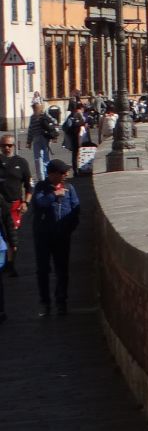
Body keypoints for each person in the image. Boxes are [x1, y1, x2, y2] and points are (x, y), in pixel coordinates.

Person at [31, 159, 79, 316]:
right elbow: (39, 203)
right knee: (43, 270)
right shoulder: (41, 187)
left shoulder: (69, 188)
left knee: (62, 270)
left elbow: (75, 209)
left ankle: (61, 301)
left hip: (62, 237)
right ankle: (45, 302)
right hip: (43, 237)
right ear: (52, 174)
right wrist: (54, 195)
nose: (66, 175)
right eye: (62, 172)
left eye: (66, 172)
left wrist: (68, 230)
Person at [0, 133, 29, 278]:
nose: (6, 148)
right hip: (0, 204)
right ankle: (5, 263)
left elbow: (29, 186)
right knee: (3, 236)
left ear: (14, 146)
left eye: (9, 145)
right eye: (4, 145)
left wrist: (25, 202)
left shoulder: (21, 162)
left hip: (14, 206)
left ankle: (11, 265)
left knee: (13, 238)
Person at [25, 101, 57, 179]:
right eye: (33, 107)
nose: (34, 109)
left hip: (43, 138)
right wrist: (29, 141)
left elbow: (54, 122)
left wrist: (29, 142)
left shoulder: (42, 115)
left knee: (42, 159)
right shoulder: (34, 117)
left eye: (35, 107)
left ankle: (45, 177)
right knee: (40, 159)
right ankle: (43, 177)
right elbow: (31, 130)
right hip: (40, 139)